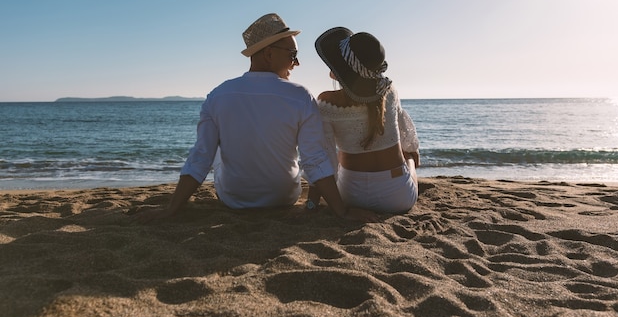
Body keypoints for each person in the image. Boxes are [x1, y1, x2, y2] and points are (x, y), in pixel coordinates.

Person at [134, 14, 378, 223]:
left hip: (233, 198)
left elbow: (200, 158)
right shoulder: (301, 96)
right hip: (283, 197)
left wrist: (170, 209)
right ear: (269, 54)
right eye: (292, 53)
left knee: (215, 148)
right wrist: (342, 211)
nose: (297, 62)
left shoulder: (217, 95)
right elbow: (314, 159)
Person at [306, 27, 420, 214]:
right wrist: (411, 152)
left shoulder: (327, 102)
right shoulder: (390, 91)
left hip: (351, 194)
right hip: (397, 198)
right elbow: (404, 135)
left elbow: (324, 156)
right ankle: (409, 164)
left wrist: (312, 204)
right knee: (408, 158)